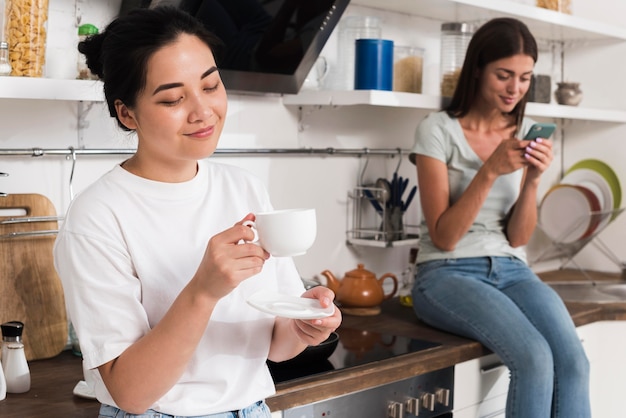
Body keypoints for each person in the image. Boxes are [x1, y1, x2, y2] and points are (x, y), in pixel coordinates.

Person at [53, 6, 341, 417]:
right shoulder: (98, 216)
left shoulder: (242, 188)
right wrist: (203, 291)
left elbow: (276, 346)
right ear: (127, 113)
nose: (202, 111)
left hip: (254, 409)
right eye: (172, 98)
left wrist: (305, 325)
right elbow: (131, 394)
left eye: (210, 85)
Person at [408, 17, 590, 418]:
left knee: (574, 362)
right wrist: (488, 170)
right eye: (504, 75)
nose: (515, 89)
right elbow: (444, 238)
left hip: (512, 269)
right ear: (477, 69)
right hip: (445, 273)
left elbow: (519, 237)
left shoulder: (523, 132)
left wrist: (532, 181)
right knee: (533, 357)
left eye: (525, 78)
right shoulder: (436, 130)